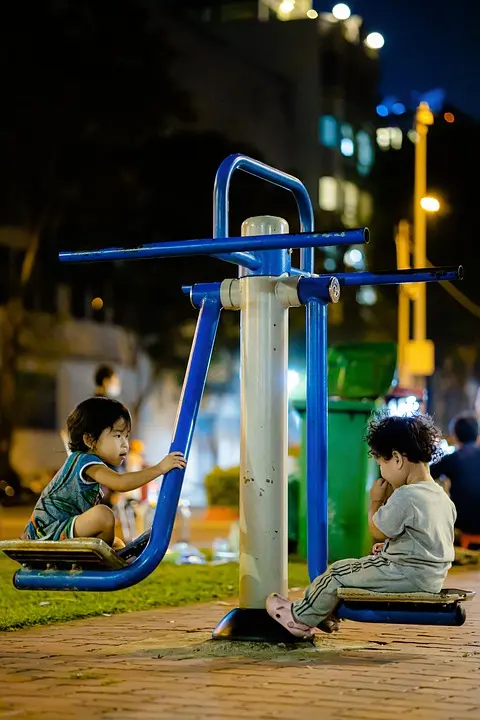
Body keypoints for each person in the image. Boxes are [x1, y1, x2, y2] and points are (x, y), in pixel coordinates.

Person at [266, 413, 456, 639]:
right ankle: (321, 612)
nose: (382, 472)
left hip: (405, 574)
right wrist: (390, 549)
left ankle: (299, 618)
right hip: (431, 577)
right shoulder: (441, 496)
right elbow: (423, 541)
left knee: (337, 572)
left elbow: (378, 531)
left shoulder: (407, 495)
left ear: (396, 459)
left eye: (381, 464)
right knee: (354, 570)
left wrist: (375, 500)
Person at [21, 397, 186, 549]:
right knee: (104, 515)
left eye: (126, 436)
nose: (125, 444)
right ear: (90, 440)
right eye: (118, 435)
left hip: (61, 529)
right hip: (46, 533)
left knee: (117, 543)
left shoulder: (88, 463)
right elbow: (121, 482)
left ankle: (109, 557)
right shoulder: (85, 461)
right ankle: (97, 561)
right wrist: (159, 468)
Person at [431, 412, 480, 535]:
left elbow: (426, 474)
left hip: (464, 522)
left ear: (455, 436)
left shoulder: (452, 458)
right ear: (477, 434)